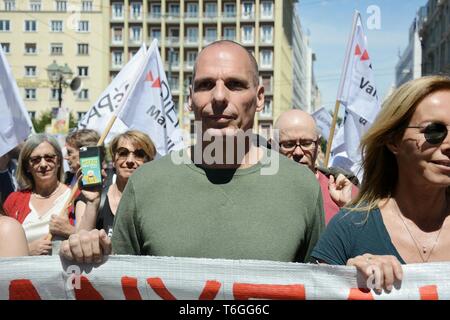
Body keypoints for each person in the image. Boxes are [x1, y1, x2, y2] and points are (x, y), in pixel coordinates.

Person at [60, 40, 325, 264]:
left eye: (234, 84)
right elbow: (118, 285)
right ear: (190, 99)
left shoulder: (301, 187)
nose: (219, 97)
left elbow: (318, 287)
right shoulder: (145, 185)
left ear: (259, 98)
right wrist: (89, 252)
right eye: (206, 85)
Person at [311, 76, 450, 293]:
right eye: (434, 131)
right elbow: (312, 291)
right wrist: (343, 281)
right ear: (394, 140)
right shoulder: (349, 228)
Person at [272, 109, 358, 224]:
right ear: (273, 147)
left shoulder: (346, 193)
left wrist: (350, 211)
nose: (298, 152)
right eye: (288, 145)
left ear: (317, 145)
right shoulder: (260, 192)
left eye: (306, 143)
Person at [76, 130, 156, 237]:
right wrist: (92, 202)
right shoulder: (95, 197)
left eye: (139, 154)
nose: (130, 160)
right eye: (123, 153)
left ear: (149, 161)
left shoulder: (157, 201)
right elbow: (81, 242)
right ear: (113, 160)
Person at [3, 134, 73, 255]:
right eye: (36, 160)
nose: (43, 164)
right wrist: (27, 250)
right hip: (23, 273)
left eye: (49, 157)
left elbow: (89, 238)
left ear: (59, 161)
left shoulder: (75, 196)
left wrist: (70, 231)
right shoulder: (14, 200)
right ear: (27, 167)